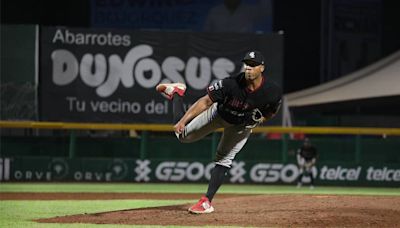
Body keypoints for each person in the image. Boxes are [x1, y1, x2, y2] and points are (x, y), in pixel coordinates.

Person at [156, 50, 282, 214]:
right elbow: (206, 101)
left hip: (241, 125)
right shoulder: (231, 84)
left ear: (262, 68)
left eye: (253, 65)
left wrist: (261, 120)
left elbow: (271, 111)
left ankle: (206, 201)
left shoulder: (272, 91)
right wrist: (183, 121)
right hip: (218, 114)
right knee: (182, 136)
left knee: (224, 158)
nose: (248, 68)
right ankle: (176, 93)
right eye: (247, 64)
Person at [203, 0, 272, 33]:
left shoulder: (249, 11)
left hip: (243, 49)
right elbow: (206, 33)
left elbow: (266, 11)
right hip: (219, 50)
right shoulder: (214, 11)